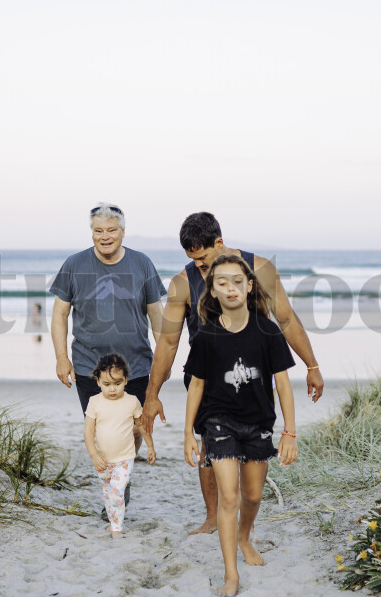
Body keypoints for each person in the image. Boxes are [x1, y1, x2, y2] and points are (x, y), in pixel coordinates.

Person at [141, 212, 322, 534]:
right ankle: (213, 518)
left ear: (220, 244)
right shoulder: (182, 283)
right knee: (209, 445)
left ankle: (243, 514)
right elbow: (169, 341)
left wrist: (312, 366)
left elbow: (287, 319)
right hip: (206, 375)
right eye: (194, 261)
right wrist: (152, 395)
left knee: (253, 443)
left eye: (205, 259)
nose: (201, 267)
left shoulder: (260, 269)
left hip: (253, 373)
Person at [183, 254, 298, 596]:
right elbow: (197, 385)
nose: (230, 288)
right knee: (228, 497)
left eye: (237, 281)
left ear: (249, 286)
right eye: (222, 282)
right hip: (218, 423)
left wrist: (290, 432)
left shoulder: (268, 331)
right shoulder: (206, 336)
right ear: (213, 291)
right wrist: (187, 432)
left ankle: (244, 536)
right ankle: (230, 574)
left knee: (252, 496)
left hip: (258, 423)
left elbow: (283, 384)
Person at [50, 203, 165, 518]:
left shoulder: (142, 264)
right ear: (92, 233)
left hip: (138, 365)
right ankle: (117, 485)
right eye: (98, 231)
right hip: (89, 365)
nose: (105, 236)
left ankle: (120, 479)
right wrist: (61, 358)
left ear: (122, 232)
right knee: (103, 433)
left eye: (111, 230)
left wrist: (165, 359)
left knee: (137, 428)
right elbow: (60, 314)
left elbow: (157, 316)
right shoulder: (75, 265)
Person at [85, 353, 155, 538]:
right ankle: (113, 522)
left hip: (124, 459)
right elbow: (88, 432)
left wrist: (150, 446)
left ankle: (117, 528)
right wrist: (94, 455)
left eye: (117, 383)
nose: (112, 389)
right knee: (108, 494)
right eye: (107, 384)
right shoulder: (95, 402)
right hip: (103, 460)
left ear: (126, 380)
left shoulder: (131, 401)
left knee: (117, 491)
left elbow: (141, 425)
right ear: (98, 381)